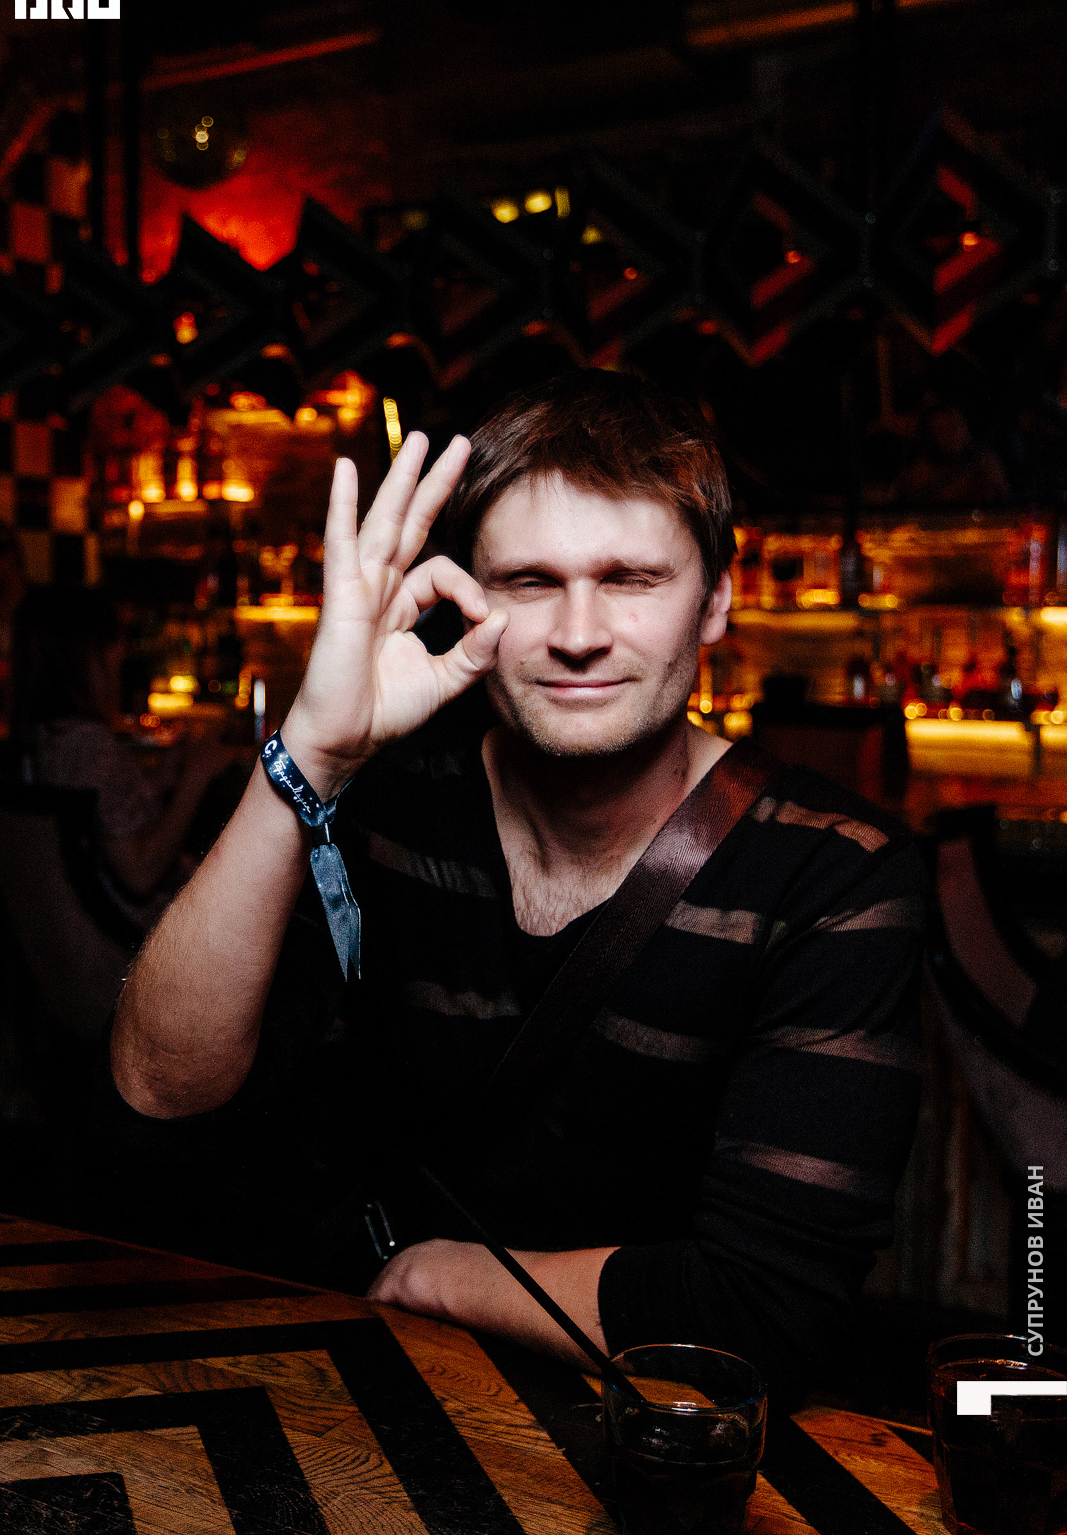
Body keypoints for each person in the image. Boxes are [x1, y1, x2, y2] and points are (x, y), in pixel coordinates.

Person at [108, 371, 925, 1399]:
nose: (578, 633)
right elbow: (162, 1087)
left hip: (663, 1436)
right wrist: (310, 754)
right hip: (370, 1395)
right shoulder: (393, 800)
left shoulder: (834, 874)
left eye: (630, 579)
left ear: (715, 598)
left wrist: (439, 1276)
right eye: (530, 581)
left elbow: (766, 1312)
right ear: (467, 599)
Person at [13, 586, 236, 923]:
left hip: (81, 932)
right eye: (107, 642)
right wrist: (196, 778)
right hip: (146, 938)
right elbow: (139, 874)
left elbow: (102, 816)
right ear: (75, 658)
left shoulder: (46, 737)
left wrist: (160, 780)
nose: (120, 653)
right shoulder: (90, 745)